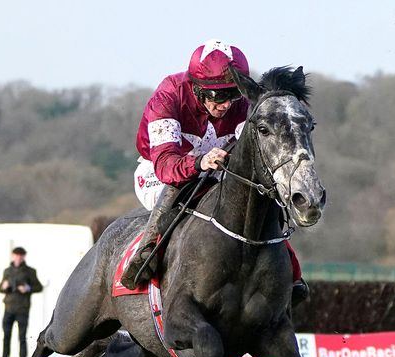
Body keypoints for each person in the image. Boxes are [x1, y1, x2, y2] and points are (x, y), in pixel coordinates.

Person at [120, 39, 308, 305]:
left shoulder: (241, 104)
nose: (227, 104)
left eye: (233, 95)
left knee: (257, 195)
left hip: (218, 170)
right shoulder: (168, 96)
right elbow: (165, 164)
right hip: (159, 172)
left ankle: (290, 270)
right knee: (179, 190)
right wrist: (198, 163)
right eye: (219, 96)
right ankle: (146, 254)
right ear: (197, 88)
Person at [0, 247, 43, 357]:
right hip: (8, 307)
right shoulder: (7, 271)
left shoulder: (30, 271)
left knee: (22, 336)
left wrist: (28, 288)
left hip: (22, 308)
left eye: (20, 255)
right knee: (6, 335)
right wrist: (3, 286)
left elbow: (39, 287)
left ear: (23, 257)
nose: (18, 258)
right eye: (16, 255)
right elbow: (0, 289)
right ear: (12, 256)